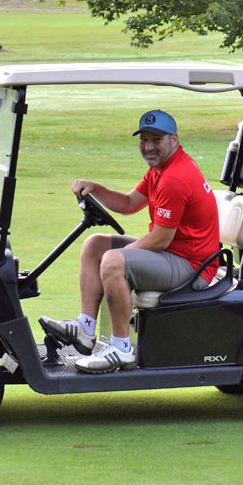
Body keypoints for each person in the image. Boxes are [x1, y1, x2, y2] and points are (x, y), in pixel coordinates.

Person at [40, 110, 220, 373]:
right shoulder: (161, 170)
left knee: (112, 260)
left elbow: (160, 239)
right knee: (96, 245)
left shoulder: (174, 178)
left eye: (156, 140)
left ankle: (121, 348)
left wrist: (116, 261)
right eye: (144, 139)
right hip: (174, 254)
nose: (148, 147)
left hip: (192, 266)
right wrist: (97, 189)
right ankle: (85, 328)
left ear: (174, 139)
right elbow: (128, 204)